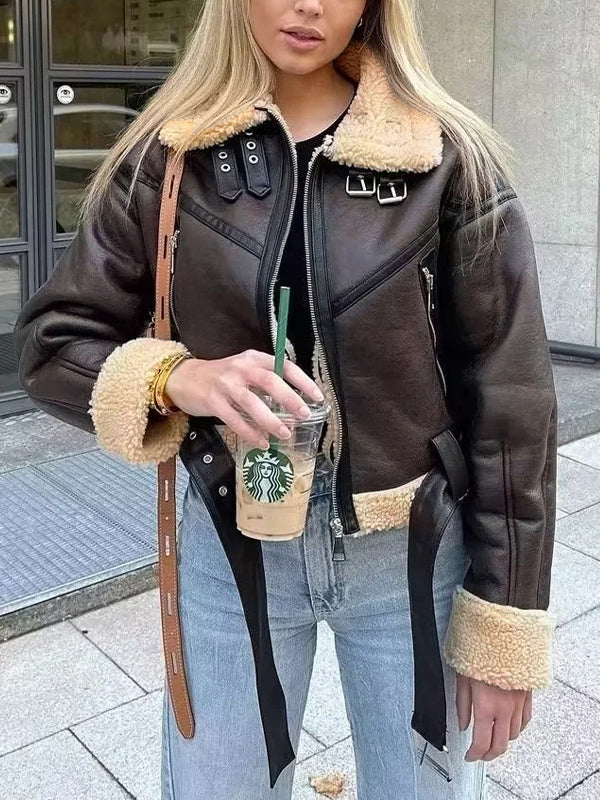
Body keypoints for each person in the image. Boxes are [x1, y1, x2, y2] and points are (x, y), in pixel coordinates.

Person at [13, 1, 558, 798]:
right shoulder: (169, 155)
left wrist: (504, 620)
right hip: (230, 543)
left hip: (408, 552)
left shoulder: (446, 160)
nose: (308, 5)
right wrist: (177, 378)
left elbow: (512, 402)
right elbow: (53, 344)